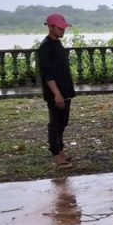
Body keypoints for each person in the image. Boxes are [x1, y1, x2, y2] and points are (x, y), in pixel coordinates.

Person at [37, 13, 76, 169]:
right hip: (56, 93)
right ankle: (56, 153)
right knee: (56, 123)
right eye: (60, 28)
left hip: (65, 91)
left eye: (64, 28)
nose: (63, 31)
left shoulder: (57, 44)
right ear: (51, 27)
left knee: (63, 121)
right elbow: (47, 74)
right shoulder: (45, 47)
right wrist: (56, 93)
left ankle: (60, 149)